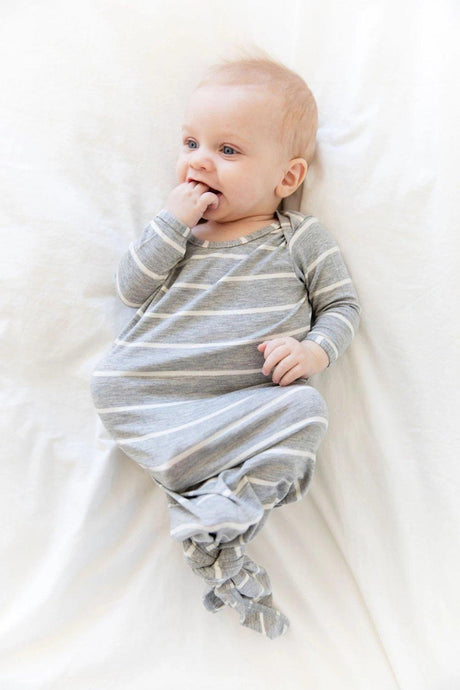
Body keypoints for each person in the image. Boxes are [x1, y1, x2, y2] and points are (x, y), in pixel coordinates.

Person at [90, 54, 360, 639]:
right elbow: (131, 289)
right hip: (160, 388)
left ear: (287, 179)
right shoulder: (180, 233)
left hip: (245, 401)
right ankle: (202, 493)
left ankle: (215, 505)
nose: (198, 161)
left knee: (307, 411)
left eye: (228, 150)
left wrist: (314, 351)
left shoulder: (298, 238)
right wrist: (170, 223)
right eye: (191, 142)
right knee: (107, 382)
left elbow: (341, 307)